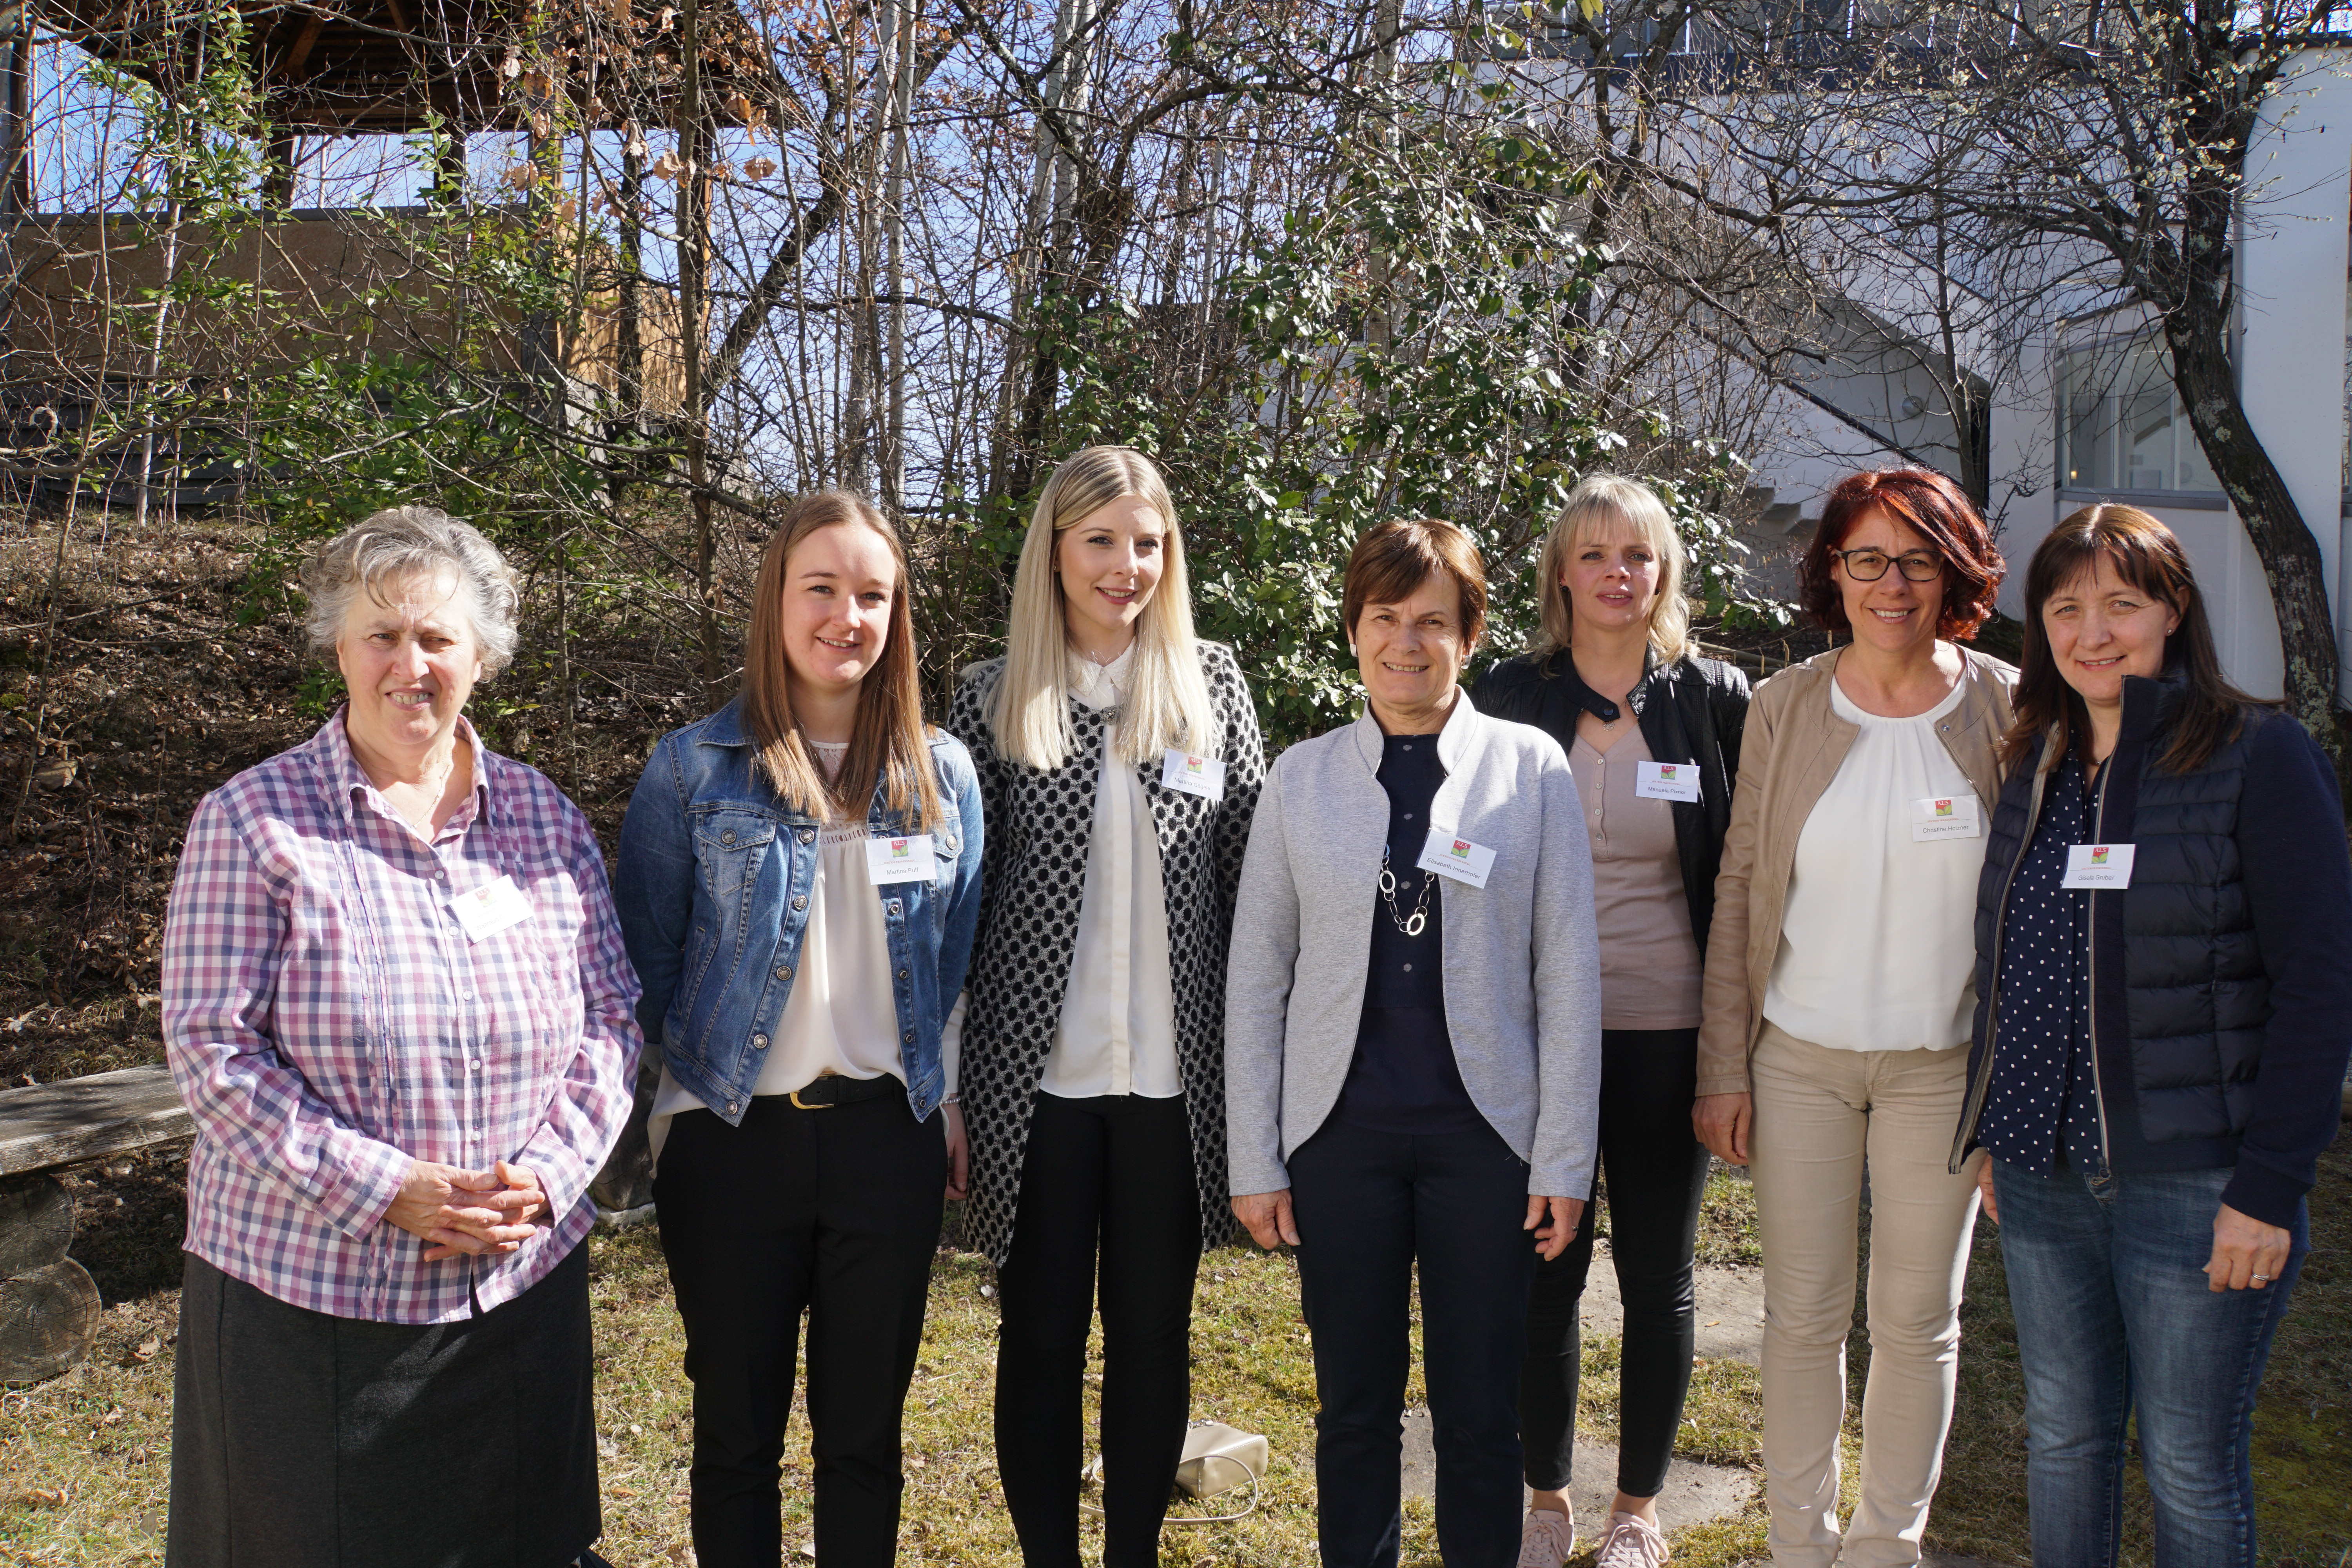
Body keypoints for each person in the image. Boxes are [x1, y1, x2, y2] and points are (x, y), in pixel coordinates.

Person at [161, 505, 640, 1568]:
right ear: (339, 648)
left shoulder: (545, 821)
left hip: (518, 1292)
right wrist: (391, 1190)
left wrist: (547, 1179)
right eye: (382, 634)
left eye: (436, 638)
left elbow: (611, 1019)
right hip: (314, 1305)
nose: (409, 665)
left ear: (482, 658)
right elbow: (214, 1054)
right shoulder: (253, 823)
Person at [1953, 505, 2352, 1567]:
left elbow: (2320, 987)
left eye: (2122, 605)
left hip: (2198, 1185)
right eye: (2066, 608)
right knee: (2064, 1439)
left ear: (2174, 610)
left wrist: (2269, 1187)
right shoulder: (2036, 761)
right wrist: (1999, 1126)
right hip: (2043, 1174)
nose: (2093, 633)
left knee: (2188, 1462)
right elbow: (2012, 960)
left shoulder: (2259, 755)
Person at [613, 490, 985, 1568]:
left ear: (897, 614)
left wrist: (946, 1096)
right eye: (821, 588)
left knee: (865, 1441)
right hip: (731, 1141)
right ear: (775, 598)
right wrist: (670, 1117)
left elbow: (951, 960)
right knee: (737, 1441)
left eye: (872, 594)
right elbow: (647, 963)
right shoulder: (692, 769)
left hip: (886, 1141)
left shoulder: (941, 773)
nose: (846, 616)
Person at [1227, 515, 1602, 1568]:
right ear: (1353, 629)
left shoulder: (1531, 770)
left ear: (1470, 636)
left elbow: (1569, 974)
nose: (1407, 643)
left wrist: (1564, 1160)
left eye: (1433, 621)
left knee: (1481, 1412)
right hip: (1340, 1138)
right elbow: (1258, 979)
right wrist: (1258, 1156)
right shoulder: (1301, 779)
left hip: (1486, 1140)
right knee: (1354, 1409)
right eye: (1385, 617)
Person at [943, 444, 1265, 1568]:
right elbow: (954, 907)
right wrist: (945, 1086)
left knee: (1154, 1340)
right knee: (1037, 1341)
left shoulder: (1210, 684)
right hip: (1033, 1086)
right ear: (1055, 550)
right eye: (1101, 541)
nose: (1126, 565)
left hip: (1172, 1087)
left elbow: (1253, 884)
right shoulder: (992, 696)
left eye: (1147, 543)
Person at [1694, 467, 2014, 1568]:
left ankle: (1886, 1547)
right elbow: (1742, 887)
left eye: (1919, 560)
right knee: (1802, 1316)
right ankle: (1798, 1545)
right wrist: (1723, 1067)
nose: (1893, 584)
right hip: (1799, 1063)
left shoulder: (2010, 706)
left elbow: (2036, 906)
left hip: (1945, 1070)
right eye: (1868, 558)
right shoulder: (1784, 707)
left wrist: (2014, 1091)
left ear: (1954, 574)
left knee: (1920, 1322)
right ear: (1834, 572)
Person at [1472, 475, 1750, 1568]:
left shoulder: (1712, 698)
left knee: (1657, 1275)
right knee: (1545, 1271)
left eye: (1637, 554)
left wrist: (1734, 1048)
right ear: (1560, 574)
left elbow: (1746, 872)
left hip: (1667, 1028)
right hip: (1538, 1032)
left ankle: (1637, 1513)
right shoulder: (1509, 692)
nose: (1616, 574)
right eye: (1593, 554)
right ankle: (1546, 1502)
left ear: (1664, 571)